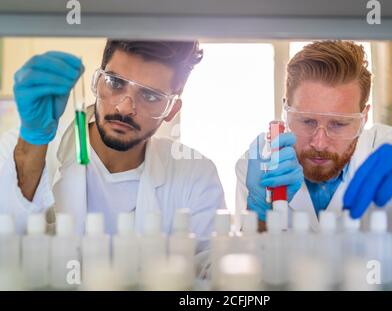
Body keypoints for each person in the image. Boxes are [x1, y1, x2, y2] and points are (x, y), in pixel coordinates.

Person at [0, 40, 226, 255]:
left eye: (149, 95)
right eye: (115, 83)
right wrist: (32, 144)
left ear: (171, 110)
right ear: (98, 82)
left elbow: (212, 272)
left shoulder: (196, 175)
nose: (125, 107)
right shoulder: (20, 152)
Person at [236, 40, 392, 234]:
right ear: (286, 110)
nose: (319, 143)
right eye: (307, 121)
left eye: (338, 124)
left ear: (364, 117)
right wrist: (261, 215)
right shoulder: (260, 166)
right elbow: (245, 269)